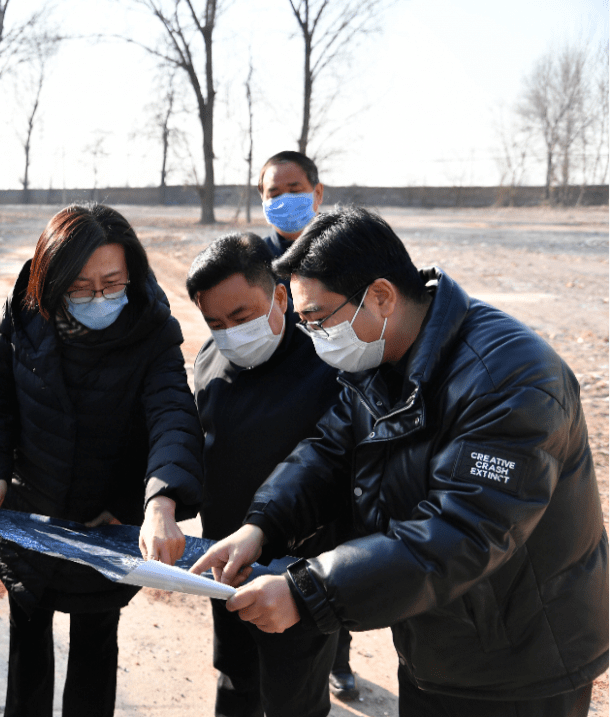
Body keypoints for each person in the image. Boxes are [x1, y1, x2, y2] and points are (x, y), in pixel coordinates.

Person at [193, 206, 609, 716]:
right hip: (436, 637)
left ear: (382, 296)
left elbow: (462, 532)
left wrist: (307, 592)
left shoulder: (509, 380)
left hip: (521, 658)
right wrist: (260, 526)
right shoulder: (381, 352)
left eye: (319, 319)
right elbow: (327, 450)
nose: (315, 336)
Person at [0, 202, 203, 717]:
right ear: (51, 281)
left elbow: (172, 413)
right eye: (79, 286)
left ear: (132, 274)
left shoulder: (149, 328)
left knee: (95, 651)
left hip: (107, 521)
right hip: (33, 519)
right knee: (27, 649)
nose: (98, 297)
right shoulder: (26, 313)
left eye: (112, 282)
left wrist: (158, 502)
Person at [187, 232, 342, 717]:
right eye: (215, 322)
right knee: (235, 682)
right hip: (226, 570)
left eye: (241, 317)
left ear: (280, 294)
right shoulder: (209, 363)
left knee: (295, 699)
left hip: (301, 576)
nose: (230, 332)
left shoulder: (329, 362)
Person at [258, 149, 358, 698]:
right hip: (285, 430)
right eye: (271, 192)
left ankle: (338, 656)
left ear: (317, 193)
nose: (282, 200)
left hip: (343, 421)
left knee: (341, 543)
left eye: (293, 188)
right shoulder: (254, 264)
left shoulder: (347, 254)